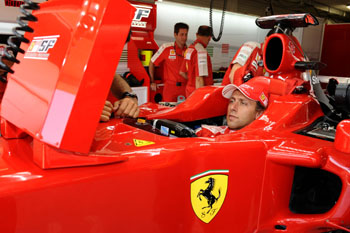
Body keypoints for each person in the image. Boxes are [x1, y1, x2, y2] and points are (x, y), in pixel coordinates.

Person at [196, 77, 270, 137]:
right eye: (232, 101)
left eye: (243, 103)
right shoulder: (207, 133)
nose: (232, 108)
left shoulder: (262, 144)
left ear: (259, 114)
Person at [149, 22, 189, 102]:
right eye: (182, 34)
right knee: (168, 111)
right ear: (175, 35)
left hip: (185, 87)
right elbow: (152, 62)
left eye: (186, 34)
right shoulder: (166, 48)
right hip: (170, 88)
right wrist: (152, 81)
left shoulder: (189, 50)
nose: (184, 37)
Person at [180, 25, 213, 97]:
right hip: (197, 94)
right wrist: (200, 98)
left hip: (189, 91)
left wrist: (192, 81)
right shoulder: (201, 51)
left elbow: (182, 72)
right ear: (209, 38)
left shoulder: (189, 49)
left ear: (196, 34)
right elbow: (199, 79)